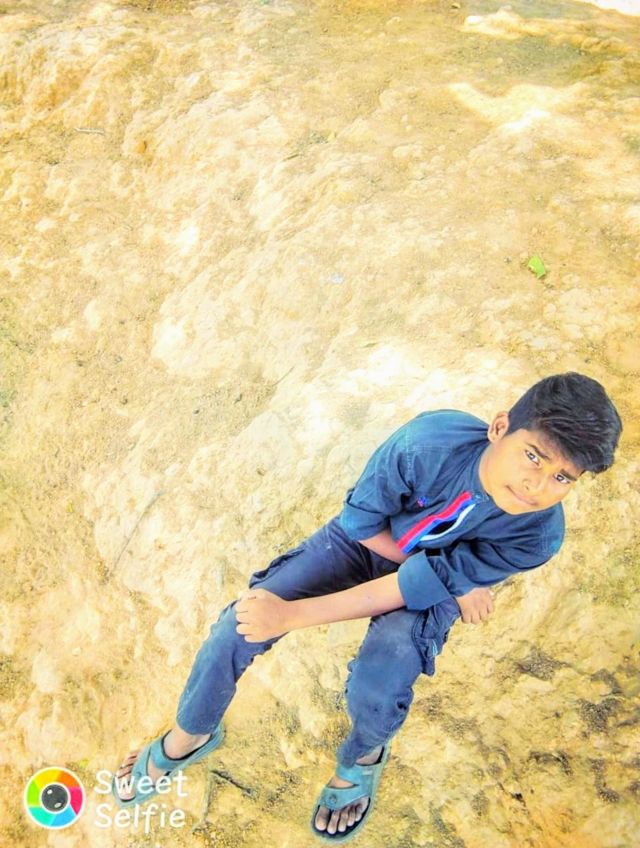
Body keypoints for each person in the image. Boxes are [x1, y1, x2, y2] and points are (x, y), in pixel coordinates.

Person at [111, 372, 621, 843]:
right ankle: (191, 732)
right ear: (499, 427)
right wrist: (447, 578)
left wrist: (301, 613)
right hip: (367, 544)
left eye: (563, 478)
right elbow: (360, 524)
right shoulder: (427, 444)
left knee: (385, 671)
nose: (538, 486)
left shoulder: (538, 536)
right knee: (238, 625)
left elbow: (407, 592)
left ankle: (364, 754)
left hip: (435, 580)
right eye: (533, 456)